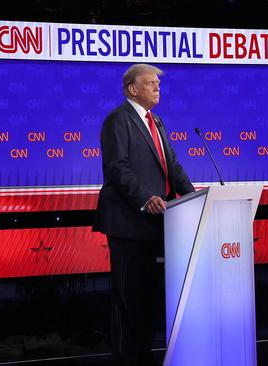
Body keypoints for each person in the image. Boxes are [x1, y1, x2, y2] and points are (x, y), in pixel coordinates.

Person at [93, 63, 195, 365]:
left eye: (158, 84)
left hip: (158, 223)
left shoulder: (156, 121)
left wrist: (195, 197)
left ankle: (143, 355)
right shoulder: (117, 120)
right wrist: (144, 197)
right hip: (128, 223)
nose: (156, 88)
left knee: (148, 298)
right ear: (132, 89)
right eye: (149, 83)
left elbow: (172, 166)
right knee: (129, 299)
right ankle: (127, 359)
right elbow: (117, 167)